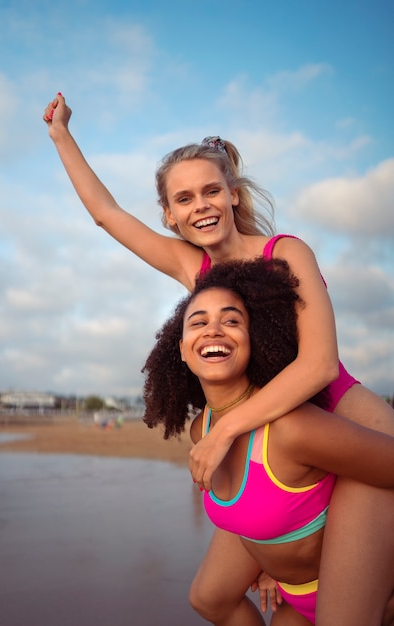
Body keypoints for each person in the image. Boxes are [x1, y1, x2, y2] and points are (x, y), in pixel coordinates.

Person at [43, 93, 394, 626]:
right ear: (168, 214)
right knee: (222, 592)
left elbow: (320, 365)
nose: (200, 205)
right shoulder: (195, 270)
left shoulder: (285, 252)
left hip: (346, 418)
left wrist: (225, 432)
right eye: (183, 199)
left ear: (233, 195)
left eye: (211, 191)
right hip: (279, 434)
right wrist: (61, 135)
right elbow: (106, 214)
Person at [141, 257, 394, 625]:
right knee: (207, 600)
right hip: (290, 599)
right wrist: (263, 562)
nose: (214, 330)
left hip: (357, 595)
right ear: (181, 349)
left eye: (231, 320)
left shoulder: (291, 428)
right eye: (198, 322)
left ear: (252, 340)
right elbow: (258, 509)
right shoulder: (202, 429)